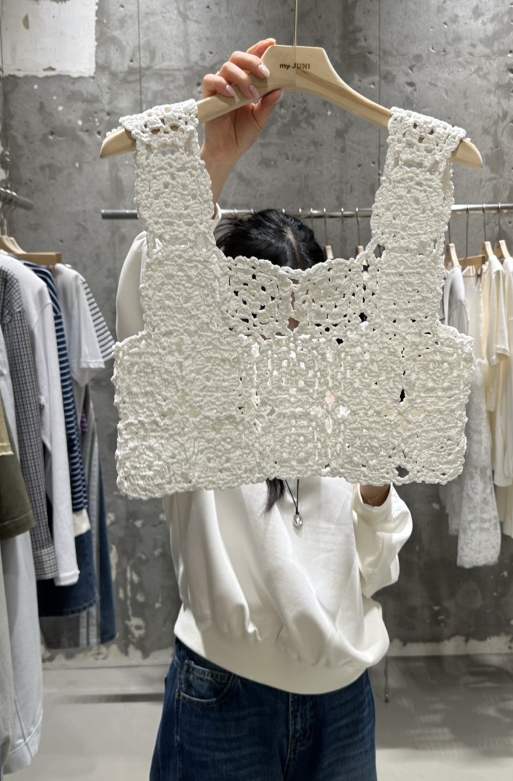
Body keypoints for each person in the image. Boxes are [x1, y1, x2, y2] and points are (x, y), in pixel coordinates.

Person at [122, 39, 413, 781]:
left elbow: (373, 568)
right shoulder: (198, 393)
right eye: (261, 317)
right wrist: (214, 158)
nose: (285, 341)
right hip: (226, 692)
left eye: (301, 319)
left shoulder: (338, 399)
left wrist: (374, 487)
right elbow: (154, 289)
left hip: (343, 696)